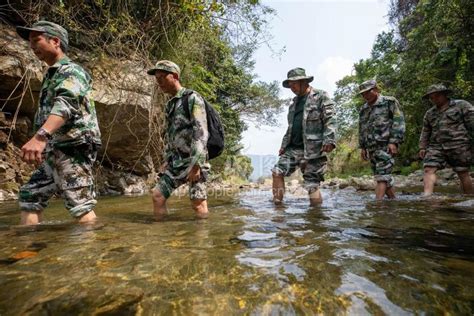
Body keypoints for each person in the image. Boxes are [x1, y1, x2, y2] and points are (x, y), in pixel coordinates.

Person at [15, 21, 102, 225]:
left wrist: (40, 137)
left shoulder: (72, 71)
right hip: (55, 148)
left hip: (73, 147)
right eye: (30, 42)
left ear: (55, 41)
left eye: (36, 40)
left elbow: (66, 104)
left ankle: (97, 252)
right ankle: (28, 250)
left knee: (80, 204)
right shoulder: (53, 74)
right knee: (30, 196)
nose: (32, 46)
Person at [148, 60, 210, 220]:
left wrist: (196, 164)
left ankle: (201, 241)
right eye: (157, 79)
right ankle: (163, 236)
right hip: (176, 162)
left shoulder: (192, 98)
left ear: (174, 76)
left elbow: (200, 132)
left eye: (162, 77)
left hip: (194, 161)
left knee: (198, 204)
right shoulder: (170, 105)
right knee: (158, 195)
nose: (158, 82)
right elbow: (170, 136)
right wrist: (166, 160)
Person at [272, 67, 336, 206]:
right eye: (290, 85)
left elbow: (330, 119)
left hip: (314, 149)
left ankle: (316, 218)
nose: (292, 87)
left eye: (294, 83)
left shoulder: (320, 96)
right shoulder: (293, 104)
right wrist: (283, 146)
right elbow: (290, 128)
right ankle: (277, 209)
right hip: (293, 148)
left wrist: (329, 139)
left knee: (312, 184)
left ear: (304, 81)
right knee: (277, 171)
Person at [419, 84, 474, 195]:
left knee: (462, 172)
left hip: (459, 145)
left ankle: (469, 199)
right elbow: (426, 131)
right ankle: (427, 197)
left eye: (437, 96)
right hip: (436, 146)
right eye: (431, 97)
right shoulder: (430, 113)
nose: (434, 99)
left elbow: (472, 124)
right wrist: (422, 147)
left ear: (444, 94)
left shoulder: (462, 105)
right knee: (428, 168)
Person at [358, 79, 405, 200]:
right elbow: (362, 128)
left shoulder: (389, 102)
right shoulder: (363, 109)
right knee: (383, 177)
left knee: (382, 177)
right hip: (371, 148)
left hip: (385, 146)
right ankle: (394, 202)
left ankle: (377, 207)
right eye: (363, 94)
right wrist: (363, 147)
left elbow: (398, 122)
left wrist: (394, 142)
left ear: (376, 89)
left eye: (368, 92)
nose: (365, 95)